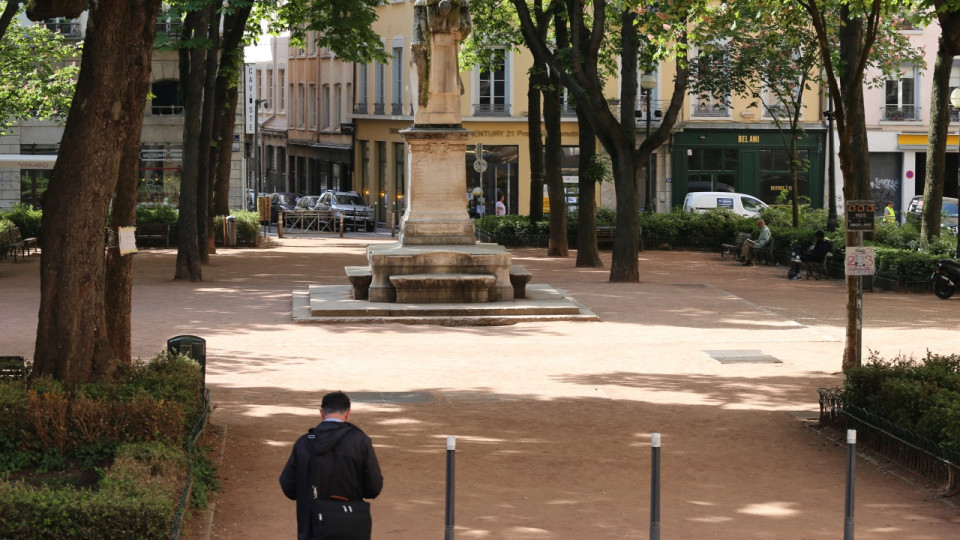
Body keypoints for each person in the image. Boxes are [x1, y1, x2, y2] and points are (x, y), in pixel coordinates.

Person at [280, 391, 383, 540]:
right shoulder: (361, 442)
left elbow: (289, 488)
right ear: (348, 413)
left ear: (321, 413)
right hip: (350, 524)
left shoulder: (303, 443)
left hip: (312, 527)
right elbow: (373, 488)